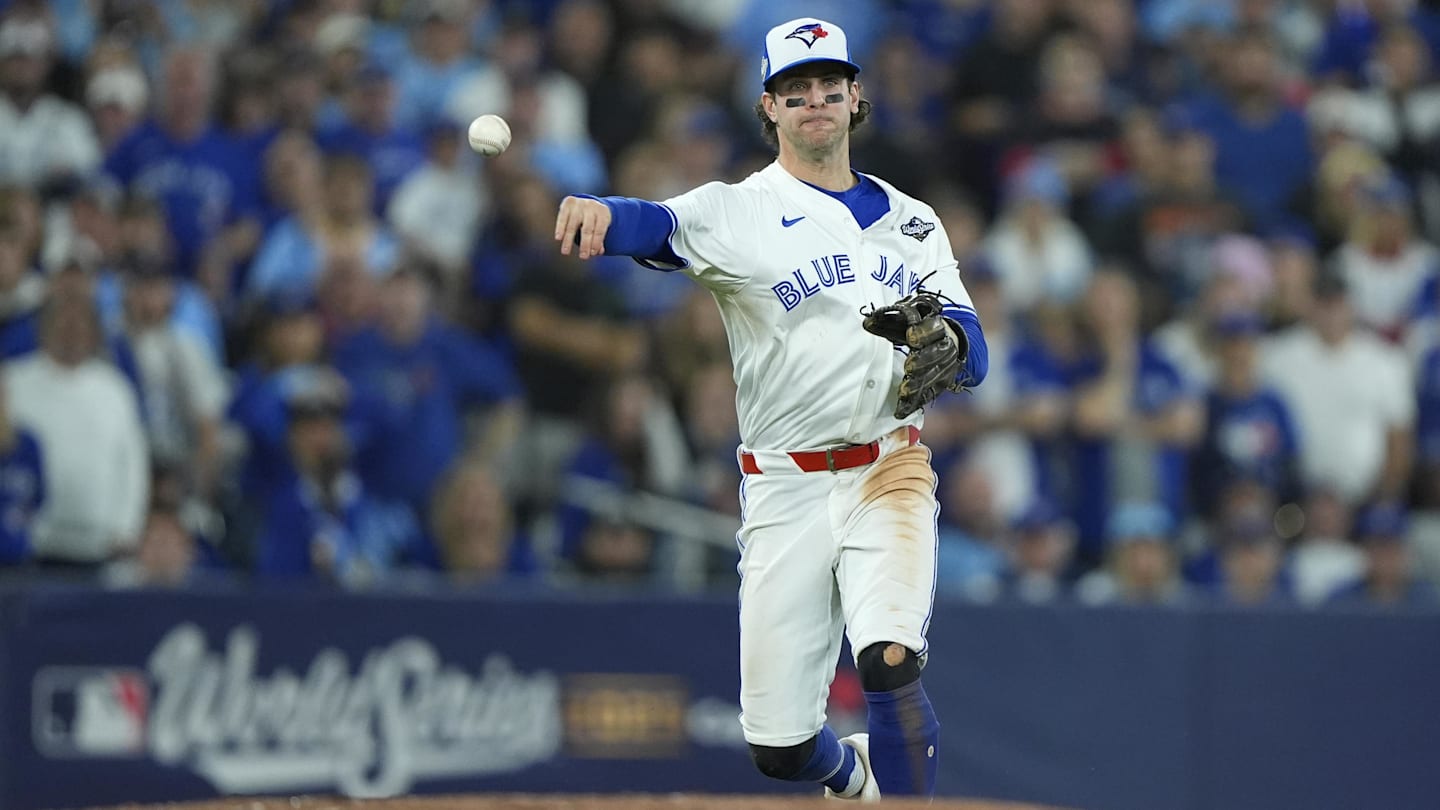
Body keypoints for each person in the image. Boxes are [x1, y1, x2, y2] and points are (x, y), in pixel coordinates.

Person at [552, 18, 988, 800]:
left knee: (890, 658)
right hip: (783, 486)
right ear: (770, 109)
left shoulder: (914, 219)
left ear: (857, 98)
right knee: (780, 747)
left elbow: (975, 346)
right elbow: (658, 224)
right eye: (796, 92)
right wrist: (600, 211)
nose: (815, 101)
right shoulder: (741, 210)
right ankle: (851, 779)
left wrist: (950, 348)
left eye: (829, 87)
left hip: (887, 466)